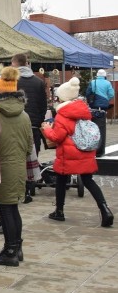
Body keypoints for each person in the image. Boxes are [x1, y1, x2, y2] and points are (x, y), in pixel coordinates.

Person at [42, 77, 113, 228]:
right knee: (88, 180)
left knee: (61, 179)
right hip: (84, 150)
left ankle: (59, 211)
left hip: (68, 153)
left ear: (63, 98)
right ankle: (105, 209)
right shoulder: (82, 110)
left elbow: (57, 137)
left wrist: (47, 129)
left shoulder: (63, 115)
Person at [0, 67, 33, 267]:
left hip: (1, 166)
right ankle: (15, 248)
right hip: (18, 167)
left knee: (6, 211)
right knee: (12, 209)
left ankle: (10, 252)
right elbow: (30, 146)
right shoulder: (24, 116)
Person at [11, 53, 48, 191]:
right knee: (33, 154)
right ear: (26, 63)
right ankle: (31, 185)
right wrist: (39, 121)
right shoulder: (38, 82)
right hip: (33, 125)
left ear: (14, 63)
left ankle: (20, 186)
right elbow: (43, 105)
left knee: (17, 155)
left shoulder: (11, 81)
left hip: (16, 123)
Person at [85, 69, 114, 157]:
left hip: (93, 108)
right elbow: (111, 94)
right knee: (101, 130)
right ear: (104, 75)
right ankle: (100, 151)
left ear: (97, 75)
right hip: (102, 110)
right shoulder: (108, 83)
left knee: (91, 130)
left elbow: (87, 93)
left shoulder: (93, 82)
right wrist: (105, 99)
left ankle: (92, 149)